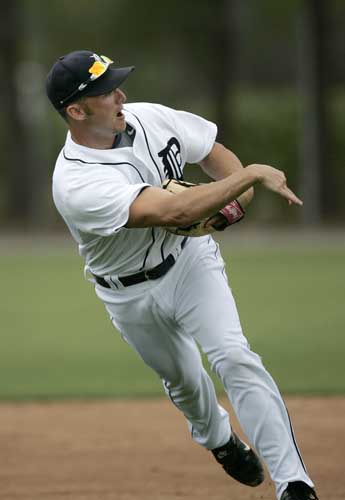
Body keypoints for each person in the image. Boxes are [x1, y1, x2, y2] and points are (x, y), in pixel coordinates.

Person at [46, 50, 318, 500]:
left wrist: (236, 199)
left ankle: (294, 483)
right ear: (76, 111)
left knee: (234, 355)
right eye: (105, 92)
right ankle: (219, 440)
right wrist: (249, 176)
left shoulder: (150, 118)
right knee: (187, 384)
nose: (121, 95)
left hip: (191, 261)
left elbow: (212, 153)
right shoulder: (74, 183)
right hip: (128, 295)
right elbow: (173, 210)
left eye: (117, 84)